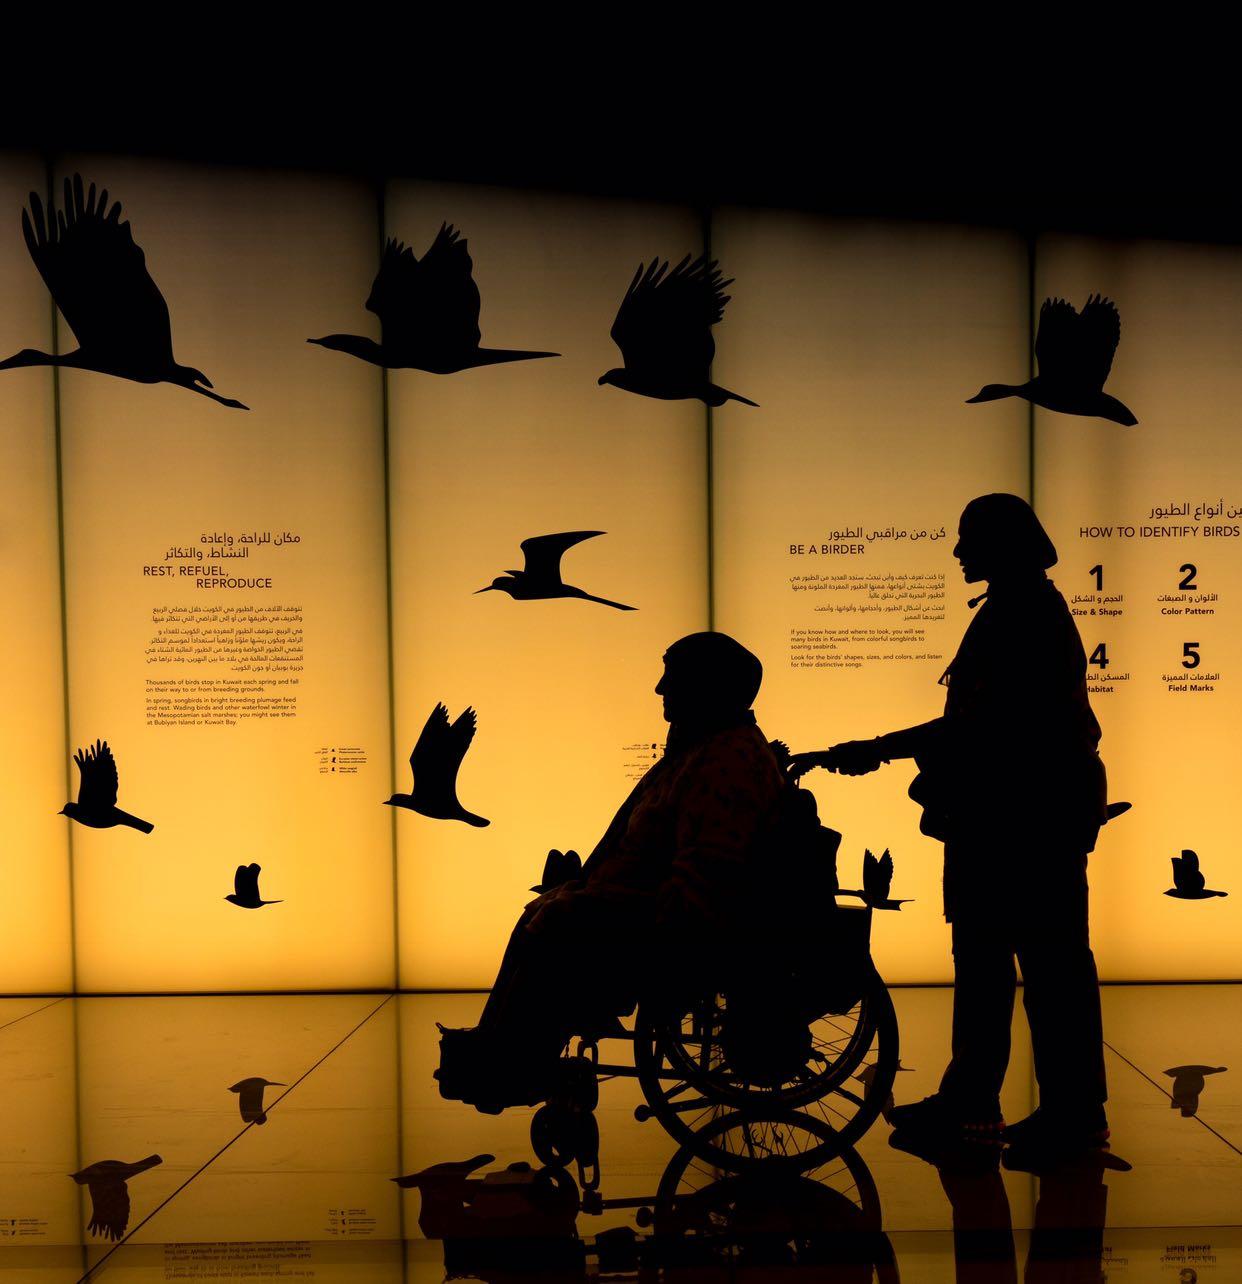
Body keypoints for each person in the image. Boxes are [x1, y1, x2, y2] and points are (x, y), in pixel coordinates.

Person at [792, 493, 1111, 1160]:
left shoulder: (1020, 616)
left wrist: (873, 748)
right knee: (1009, 967)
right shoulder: (1025, 611)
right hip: (1020, 818)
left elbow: (980, 727)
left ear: (1002, 545)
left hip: (1017, 823)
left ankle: (1060, 1114)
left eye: (969, 540)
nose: (959, 553)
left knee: (1033, 970)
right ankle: (998, 1102)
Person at [437, 631, 786, 1111]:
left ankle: (511, 1062)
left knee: (557, 920)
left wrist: (604, 901)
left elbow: (702, 884)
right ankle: (501, 1046)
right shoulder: (705, 750)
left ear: (707, 686)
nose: (659, 689)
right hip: (648, 901)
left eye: (672, 677)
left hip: (680, 929)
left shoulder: (725, 760)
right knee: (545, 908)